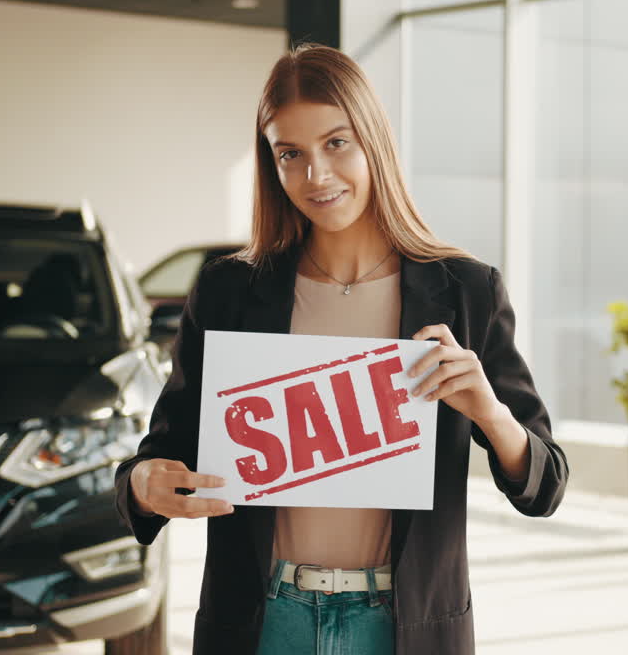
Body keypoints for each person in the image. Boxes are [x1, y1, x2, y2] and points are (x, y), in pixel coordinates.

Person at [114, 44, 568, 655]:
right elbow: (161, 453)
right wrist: (145, 485)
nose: (316, 177)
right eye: (290, 154)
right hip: (261, 620)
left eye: (336, 144)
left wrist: (489, 411)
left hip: (404, 627)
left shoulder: (465, 291)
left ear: (373, 142)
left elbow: (545, 486)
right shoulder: (227, 292)